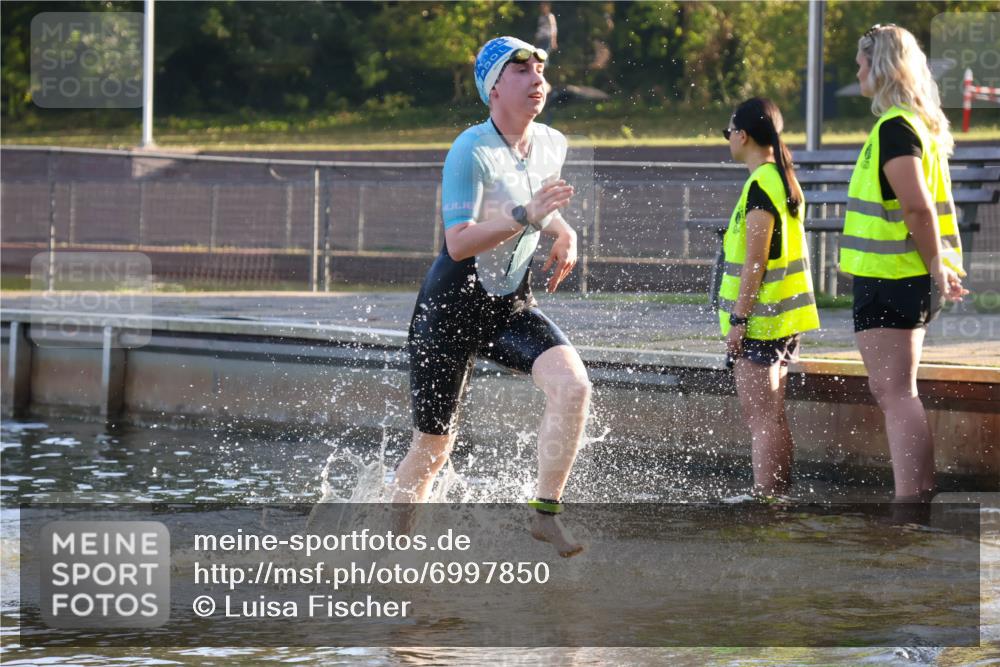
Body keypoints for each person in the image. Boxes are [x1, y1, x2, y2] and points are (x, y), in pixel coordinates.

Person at [391, 36, 591, 557]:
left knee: (573, 388)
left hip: (509, 305)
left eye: (541, 69)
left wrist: (562, 230)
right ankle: (390, 552)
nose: (538, 79)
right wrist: (528, 216)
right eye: (522, 70)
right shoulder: (470, 150)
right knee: (433, 447)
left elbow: (536, 205)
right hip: (450, 309)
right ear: (494, 86)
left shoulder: (552, 142)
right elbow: (458, 242)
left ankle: (545, 514)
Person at [842, 25, 967, 502]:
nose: (857, 71)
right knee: (895, 391)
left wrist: (937, 266)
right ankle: (914, 496)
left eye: (861, 62)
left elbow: (916, 206)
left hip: (894, 276)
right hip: (897, 276)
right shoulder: (909, 124)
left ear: (882, 66)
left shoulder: (896, 128)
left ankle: (910, 501)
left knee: (896, 393)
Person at [718, 97, 820, 496]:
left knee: (761, 419)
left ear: (742, 136)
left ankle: (765, 501)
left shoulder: (761, 183)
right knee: (773, 417)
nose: (728, 140)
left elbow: (755, 262)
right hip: (782, 318)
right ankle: (778, 499)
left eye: (729, 133)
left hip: (761, 320)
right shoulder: (780, 177)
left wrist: (738, 321)